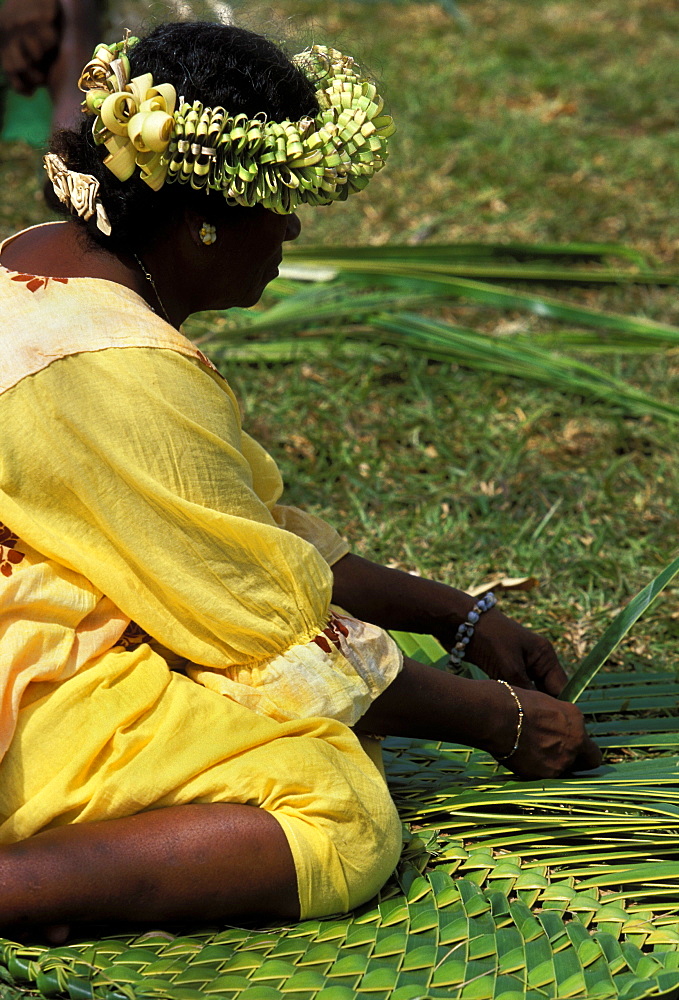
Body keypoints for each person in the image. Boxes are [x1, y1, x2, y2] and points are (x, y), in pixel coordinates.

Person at [0, 21, 601, 938]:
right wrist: (501, 722)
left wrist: (458, 614)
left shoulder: (42, 256)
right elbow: (266, 627)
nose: (289, 230)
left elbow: (251, 534)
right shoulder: (116, 366)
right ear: (205, 219)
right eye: (276, 204)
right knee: (337, 813)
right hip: (26, 675)